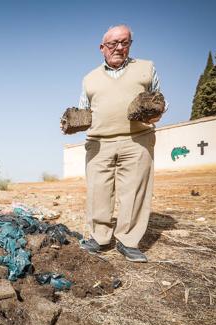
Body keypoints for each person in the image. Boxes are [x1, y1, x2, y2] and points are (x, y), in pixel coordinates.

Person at [77, 24, 165, 262]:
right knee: (98, 191)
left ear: (130, 45)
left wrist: (155, 112)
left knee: (134, 191)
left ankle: (128, 241)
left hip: (137, 139)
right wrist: (73, 122)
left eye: (124, 42)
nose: (118, 48)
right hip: (98, 142)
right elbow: (84, 111)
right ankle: (100, 237)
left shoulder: (146, 68)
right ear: (102, 48)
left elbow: (157, 100)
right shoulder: (89, 78)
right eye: (113, 44)